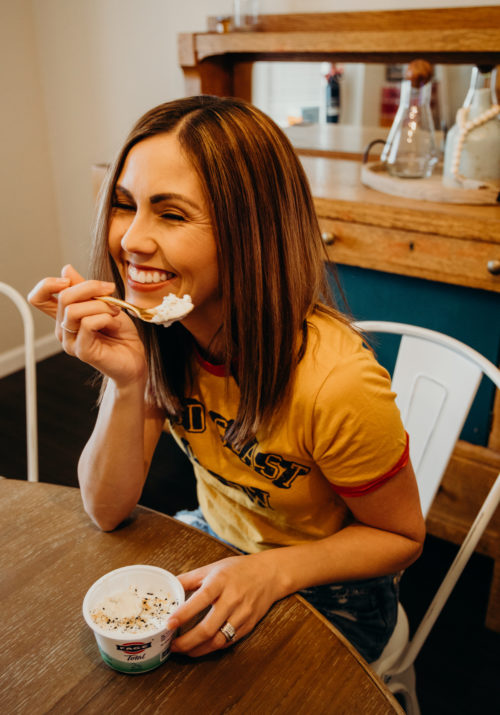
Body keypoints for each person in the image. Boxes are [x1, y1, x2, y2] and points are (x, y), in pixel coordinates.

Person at [29, 95, 425, 663]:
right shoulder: (166, 334)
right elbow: (105, 508)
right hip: (216, 537)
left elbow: (402, 539)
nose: (131, 240)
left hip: (336, 583)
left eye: (170, 213)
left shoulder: (336, 383)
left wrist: (267, 572)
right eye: (124, 204)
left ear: (251, 230)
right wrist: (126, 382)